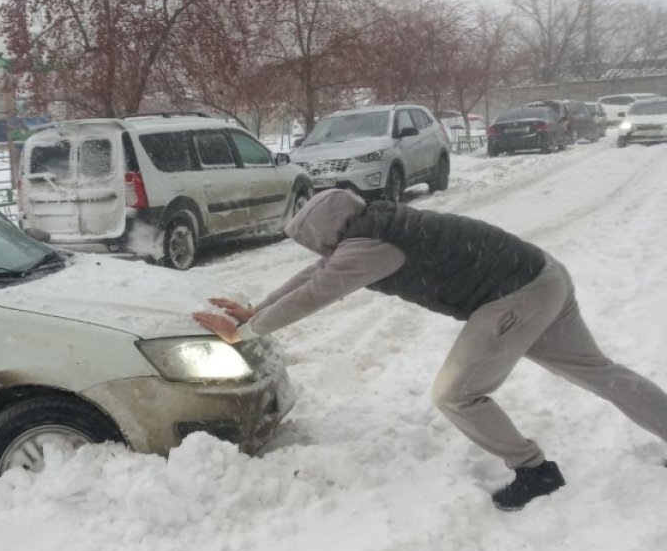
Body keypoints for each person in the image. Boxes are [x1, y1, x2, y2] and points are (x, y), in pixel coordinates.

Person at [193, 189, 667, 511]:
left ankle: (536, 472)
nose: (313, 251)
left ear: (326, 230)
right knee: (598, 370)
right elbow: (316, 277)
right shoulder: (378, 224)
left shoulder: (371, 245)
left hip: (515, 296)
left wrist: (245, 332)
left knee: (456, 394)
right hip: (543, 275)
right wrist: (255, 311)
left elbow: (315, 292)